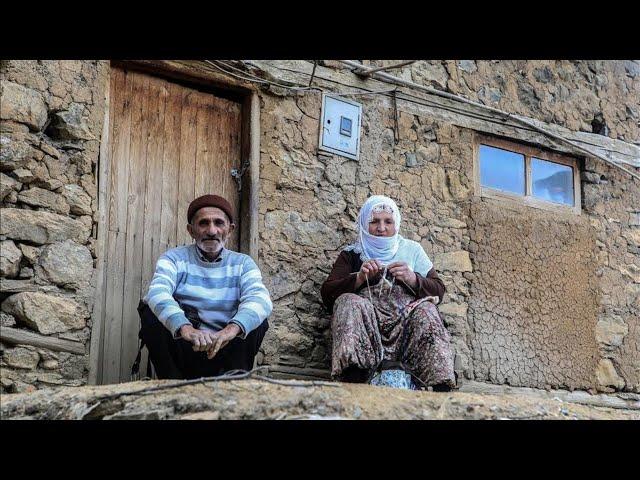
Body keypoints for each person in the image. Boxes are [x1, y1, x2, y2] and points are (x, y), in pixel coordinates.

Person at [321, 195, 455, 390]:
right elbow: (327, 293)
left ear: (396, 223)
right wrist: (359, 278)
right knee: (349, 302)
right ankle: (355, 377)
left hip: (406, 326)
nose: (381, 228)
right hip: (367, 325)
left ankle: (438, 385)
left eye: (388, 221)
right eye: (374, 221)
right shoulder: (352, 253)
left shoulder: (412, 250)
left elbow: (439, 290)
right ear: (364, 224)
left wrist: (413, 278)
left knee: (426, 310)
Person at [139, 194, 272, 379]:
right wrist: (187, 330)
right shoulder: (174, 259)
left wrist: (229, 332)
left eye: (219, 223)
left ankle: (233, 382)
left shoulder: (243, 263)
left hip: (226, 348)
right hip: (186, 346)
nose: (212, 230)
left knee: (256, 317)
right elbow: (157, 293)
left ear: (230, 229)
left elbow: (260, 299)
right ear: (191, 230)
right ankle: (171, 384)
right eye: (203, 223)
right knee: (149, 310)